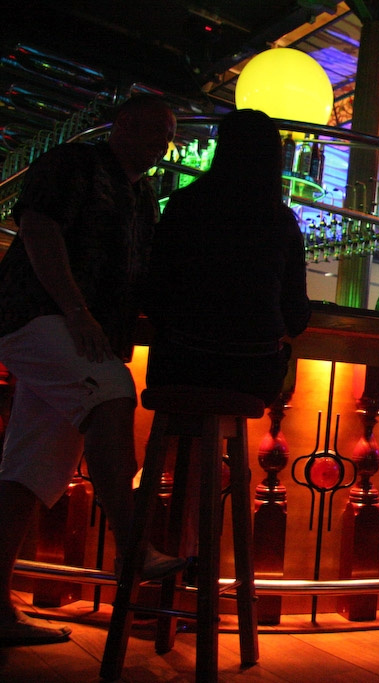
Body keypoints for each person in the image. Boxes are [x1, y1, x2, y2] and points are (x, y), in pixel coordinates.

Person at [0, 95, 180, 645]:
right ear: (121, 123)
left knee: (31, 469)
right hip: (39, 316)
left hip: (70, 329)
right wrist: (77, 309)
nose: (162, 143)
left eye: (167, 135)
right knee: (112, 395)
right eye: (154, 129)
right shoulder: (75, 162)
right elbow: (37, 227)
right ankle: (132, 548)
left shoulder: (143, 195)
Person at [144, 109, 311, 406]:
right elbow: (296, 318)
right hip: (254, 375)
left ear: (221, 147)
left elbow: (154, 291)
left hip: (179, 366)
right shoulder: (282, 222)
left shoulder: (184, 205)